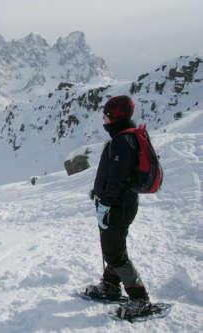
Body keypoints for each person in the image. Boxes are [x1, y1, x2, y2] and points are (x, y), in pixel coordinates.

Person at [86, 95, 151, 316]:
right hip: (121, 205)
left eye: (106, 116)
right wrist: (99, 192)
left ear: (116, 117)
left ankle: (139, 297)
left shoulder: (122, 142)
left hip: (117, 208)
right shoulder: (125, 138)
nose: (103, 120)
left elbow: (117, 179)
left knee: (115, 253)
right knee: (113, 247)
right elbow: (114, 176)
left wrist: (105, 202)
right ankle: (110, 285)